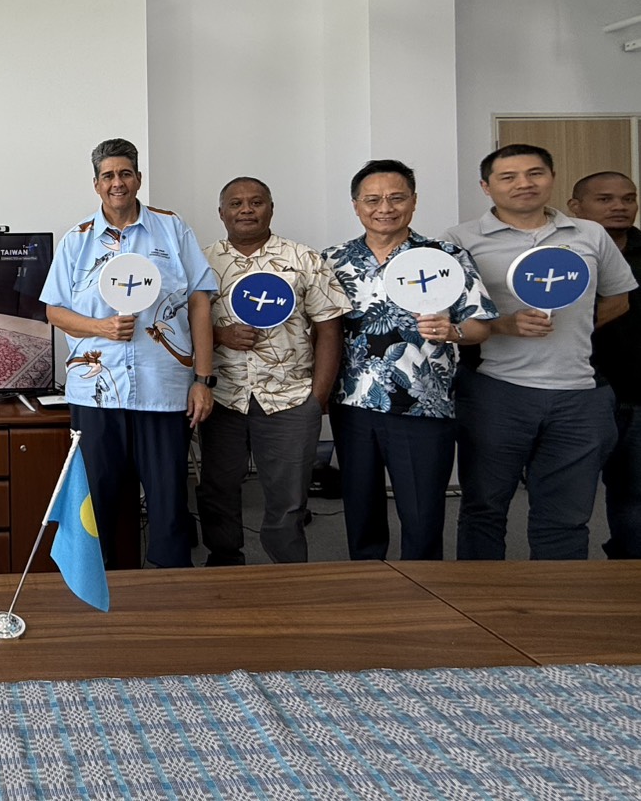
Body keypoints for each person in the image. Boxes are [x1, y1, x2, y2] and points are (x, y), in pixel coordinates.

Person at [447, 145, 635, 560]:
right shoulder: (459, 240)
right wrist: (502, 326)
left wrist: (575, 328)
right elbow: (451, 317)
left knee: (566, 516)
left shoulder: (589, 234)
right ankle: (481, 595)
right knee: (484, 509)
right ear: (486, 186)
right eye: (508, 177)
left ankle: (557, 595)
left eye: (535, 173)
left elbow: (619, 298)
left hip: (580, 395)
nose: (524, 184)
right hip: (496, 391)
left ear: (551, 177)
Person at [40, 138, 218, 569]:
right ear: (96, 184)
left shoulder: (172, 229)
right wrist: (100, 327)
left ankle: (171, 589)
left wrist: (203, 379)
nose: (116, 183)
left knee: (169, 502)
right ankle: (100, 588)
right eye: (108, 176)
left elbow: (199, 301)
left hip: (163, 391)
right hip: (96, 395)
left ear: (138, 178)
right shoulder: (77, 240)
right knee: (97, 502)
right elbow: (54, 311)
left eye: (125, 174)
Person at [322, 159, 495, 561]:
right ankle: (368, 582)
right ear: (356, 205)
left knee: (422, 514)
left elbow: (480, 325)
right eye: (373, 200)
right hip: (352, 403)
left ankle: (423, 586)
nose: (385, 208)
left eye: (396, 198)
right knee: (360, 508)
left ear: (414, 201)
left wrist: (453, 331)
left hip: (423, 404)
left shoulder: (445, 256)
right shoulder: (333, 260)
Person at [198, 177, 350, 566]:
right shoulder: (200, 262)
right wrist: (220, 335)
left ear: (271, 208)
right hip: (222, 398)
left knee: (289, 497)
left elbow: (329, 328)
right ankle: (224, 562)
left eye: (256, 202)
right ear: (221, 213)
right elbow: (182, 326)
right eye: (236, 203)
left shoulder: (304, 259)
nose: (246, 210)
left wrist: (318, 397)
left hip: (290, 399)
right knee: (217, 490)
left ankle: (288, 571)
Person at [568, 171, 641, 559]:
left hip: (636, 393)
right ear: (576, 207)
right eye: (605, 199)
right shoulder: (558, 255)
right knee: (567, 498)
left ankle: (628, 572)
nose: (619, 207)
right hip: (577, 393)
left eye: (628, 199)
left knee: (633, 495)